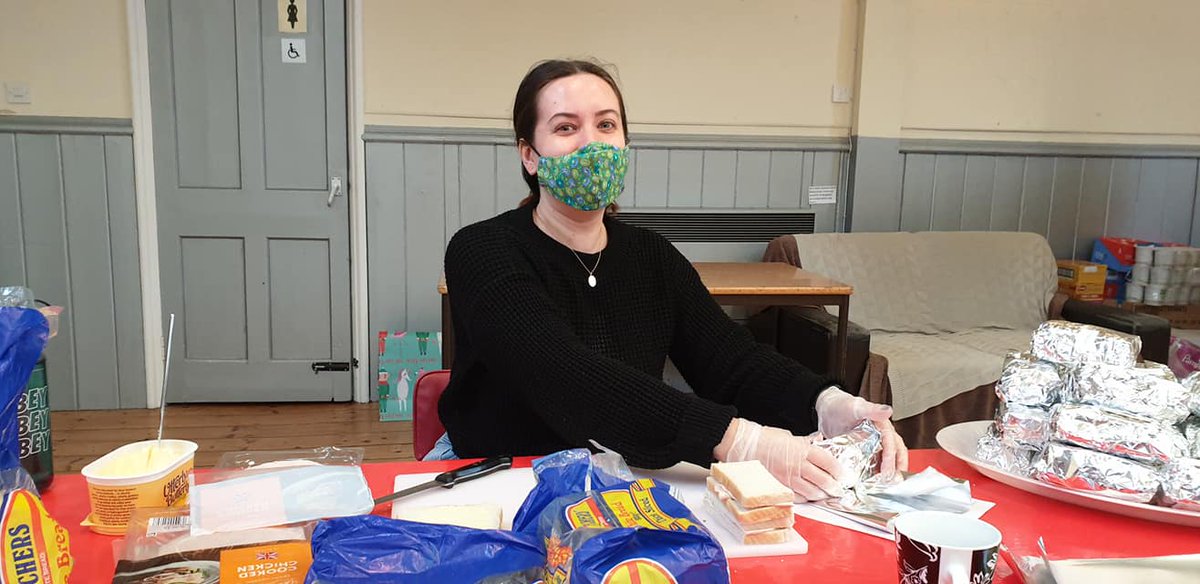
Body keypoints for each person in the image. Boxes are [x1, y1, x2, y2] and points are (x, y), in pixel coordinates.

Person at [434, 59, 907, 500]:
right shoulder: (482, 250)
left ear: (624, 144)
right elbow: (561, 371)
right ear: (530, 155)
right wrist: (738, 439)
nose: (591, 143)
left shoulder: (651, 255)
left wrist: (825, 401)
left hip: (621, 475)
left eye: (606, 124)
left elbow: (728, 358)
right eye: (565, 127)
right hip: (496, 477)